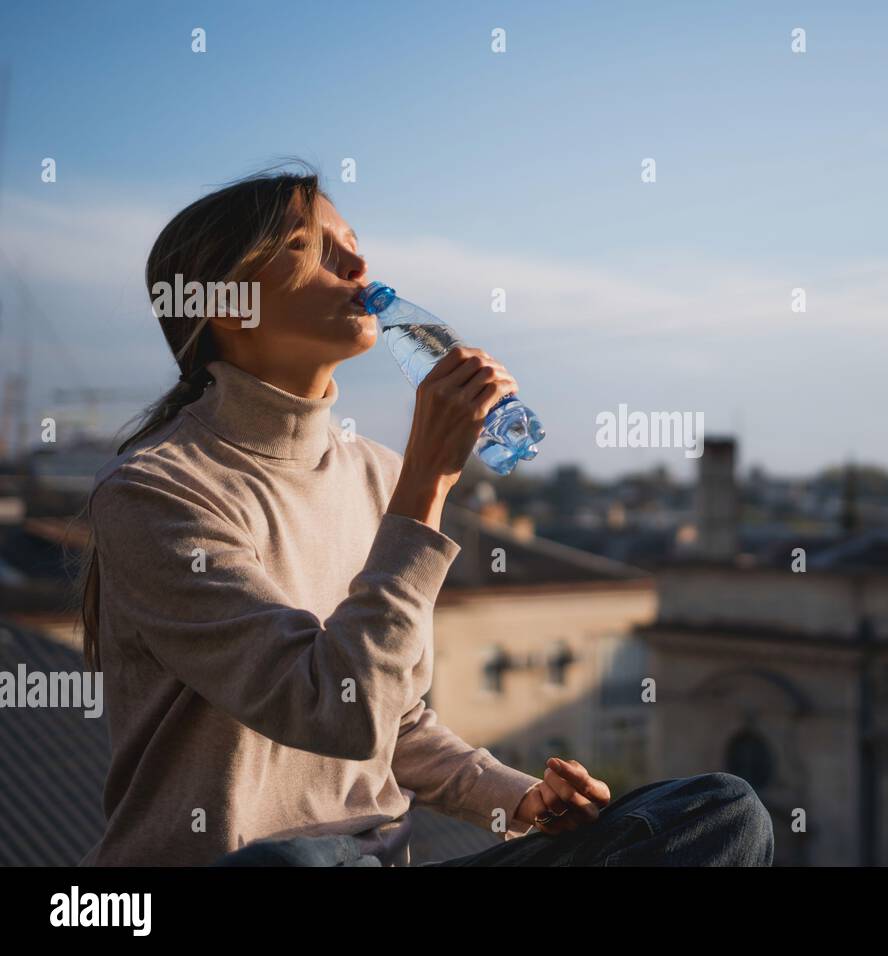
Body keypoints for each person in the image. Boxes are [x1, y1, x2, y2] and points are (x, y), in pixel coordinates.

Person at [75, 161, 774, 867]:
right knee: (290, 864)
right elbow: (336, 711)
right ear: (228, 305)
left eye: (350, 239)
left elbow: (394, 720)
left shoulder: (377, 473)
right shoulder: (155, 492)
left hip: (383, 858)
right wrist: (428, 484)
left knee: (721, 813)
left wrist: (519, 799)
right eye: (306, 246)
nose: (355, 260)